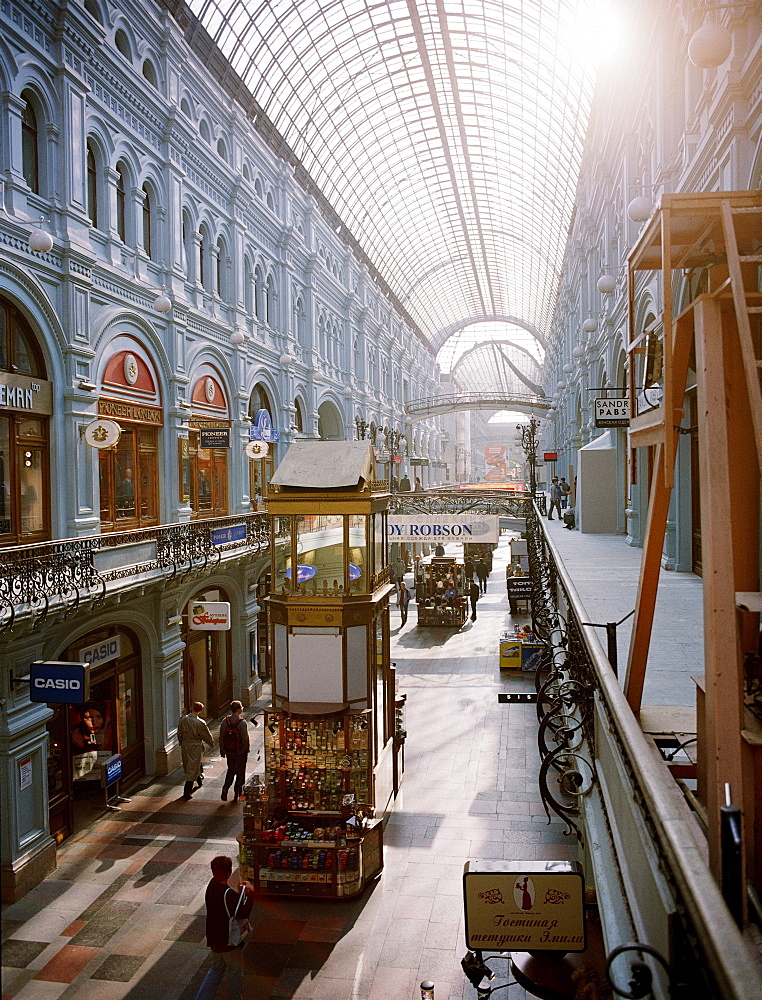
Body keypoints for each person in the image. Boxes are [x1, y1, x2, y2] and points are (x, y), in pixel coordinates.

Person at [193, 855, 256, 1000]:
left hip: (214, 938)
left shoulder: (212, 885)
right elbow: (242, 912)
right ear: (228, 873)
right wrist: (250, 895)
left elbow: (230, 907)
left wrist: (240, 895)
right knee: (235, 972)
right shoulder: (228, 894)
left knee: (216, 969)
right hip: (228, 941)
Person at [178, 701, 214, 801]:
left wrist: (182, 742)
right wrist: (211, 743)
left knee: (190, 764)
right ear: (201, 711)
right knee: (193, 766)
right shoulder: (200, 722)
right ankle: (187, 791)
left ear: (192, 708)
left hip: (185, 745)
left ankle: (199, 779)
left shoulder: (183, 719)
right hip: (195, 745)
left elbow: (179, 733)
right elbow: (206, 735)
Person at [220, 701, 250, 802]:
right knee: (240, 772)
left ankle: (225, 789)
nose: (242, 708)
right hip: (240, 752)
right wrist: (246, 750)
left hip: (229, 751)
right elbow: (245, 738)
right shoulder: (242, 723)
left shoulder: (225, 721)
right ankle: (237, 793)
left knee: (231, 770)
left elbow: (221, 736)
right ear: (238, 710)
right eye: (241, 707)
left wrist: (222, 749)